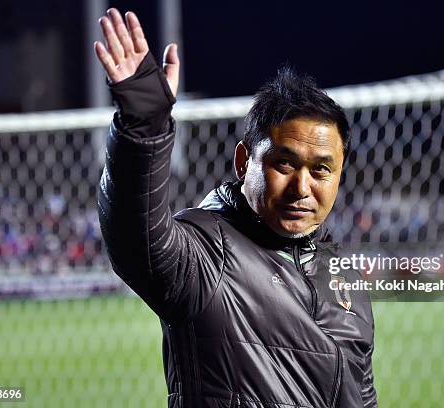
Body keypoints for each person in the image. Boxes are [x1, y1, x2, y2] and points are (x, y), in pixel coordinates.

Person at [95, 8, 377, 407]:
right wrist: (143, 125)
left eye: (321, 170)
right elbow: (132, 235)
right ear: (244, 161)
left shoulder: (342, 275)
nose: (302, 187)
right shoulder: (205, 252)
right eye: (284, 163)